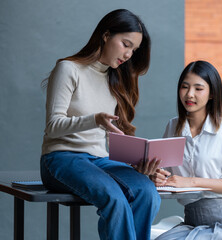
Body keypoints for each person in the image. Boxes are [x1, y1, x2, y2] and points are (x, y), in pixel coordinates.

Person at [40, 9, 161, 240]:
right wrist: (94, 119)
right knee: (114, 197)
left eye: (133, 50)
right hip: (60, 158)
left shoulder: (115, 80)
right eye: (126, 44)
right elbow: (53, 125)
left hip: (100, 161)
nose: (128, 54)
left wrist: (140, 162)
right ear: (106, 35)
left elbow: (112, 138)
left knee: (147, 192)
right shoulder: (68, 69)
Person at [151, 61, 222, 239]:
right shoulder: (173, 126)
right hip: (191, 222)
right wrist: (157, 175)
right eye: (185, 87)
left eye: (198, 89)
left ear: (212, 93)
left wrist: (190, 182)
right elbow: (166, 172)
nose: (189, 94)